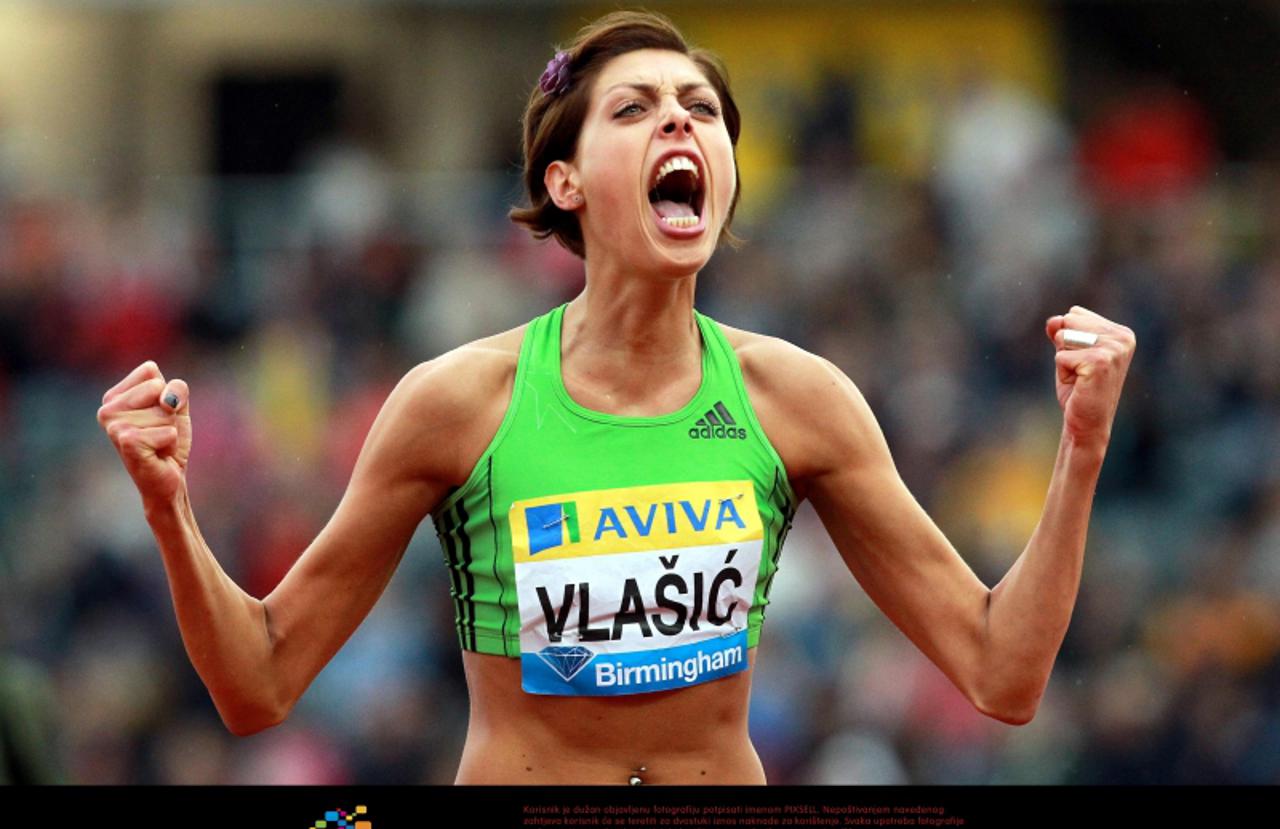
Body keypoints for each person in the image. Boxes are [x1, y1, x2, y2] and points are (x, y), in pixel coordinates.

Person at [95, 10, 1136, 785]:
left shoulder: (797, 400)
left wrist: (1079, 451)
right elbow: (259, 683)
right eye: (634, 110)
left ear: (725, 170)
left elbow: (1001, 675)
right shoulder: (459, 402)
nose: (678, 126)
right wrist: (169, 508)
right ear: (564, 181)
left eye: (700, 114)